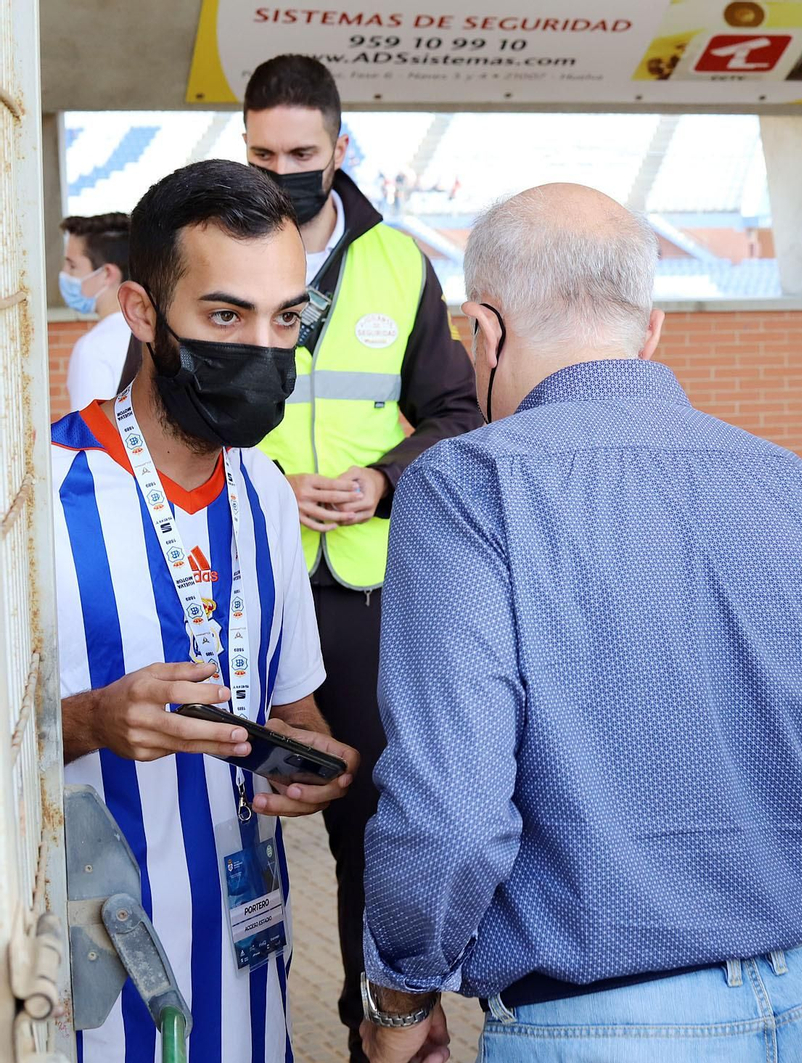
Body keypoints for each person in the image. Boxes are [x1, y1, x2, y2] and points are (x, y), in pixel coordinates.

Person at [358, 183, 802, 1063]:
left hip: (598, 1024)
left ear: (486, 329)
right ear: (650, 328)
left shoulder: (467, 489)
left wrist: (398, 1000)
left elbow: (453, 819)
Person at [52, 159, 358, 1063]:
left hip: (252, 980)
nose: (264, 349)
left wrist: (319, 759)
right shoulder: (27, 496)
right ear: (143, 315)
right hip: (84, 1001)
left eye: (286, 319)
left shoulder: (266, 490)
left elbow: (297, 714)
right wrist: (87, 721)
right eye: (226, 316)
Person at [239, 54, 482, 1061]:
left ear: (341, 149)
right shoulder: (219, 253)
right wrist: (261, 484)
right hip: (245, 578)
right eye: (262, 154)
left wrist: (381, 479)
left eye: (301, 152)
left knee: (371, 828)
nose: (283, 170)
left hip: (361, 596)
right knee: (226, 802)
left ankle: (376, 1032)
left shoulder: (400, 264)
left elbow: (457, 413)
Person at [59, 212, 134, 408]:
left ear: (107, 274)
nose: (64, 274)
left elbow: (89, 436)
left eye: (72, 265)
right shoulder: (156, 333)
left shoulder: (93, 349)